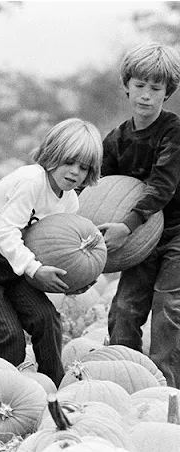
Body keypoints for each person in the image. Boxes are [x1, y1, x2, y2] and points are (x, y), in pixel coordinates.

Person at [0, 118, 103, 388]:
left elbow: (58, 248)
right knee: (9, 335)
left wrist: (75, 280)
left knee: (46, 319)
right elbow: (4, 233)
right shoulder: (31, 181)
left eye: (84, 168)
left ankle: (54, 391)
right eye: (69, 162)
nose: (75, 172)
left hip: (17, 265)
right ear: (52, 155)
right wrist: (34, 269)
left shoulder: (69, 200)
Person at [100, 42, 180, 388]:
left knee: (168, 312)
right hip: (138, 243)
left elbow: (162, 186)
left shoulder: (173, 131)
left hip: (176, 235)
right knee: (123, 310)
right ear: (127, 86)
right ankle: (124, 383)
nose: (146, 95)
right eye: (140, 86)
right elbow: (98, 193)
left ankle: (167, 393)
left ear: (168, 92)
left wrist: (127, 225)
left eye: (156, 88)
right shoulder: (115, 140)